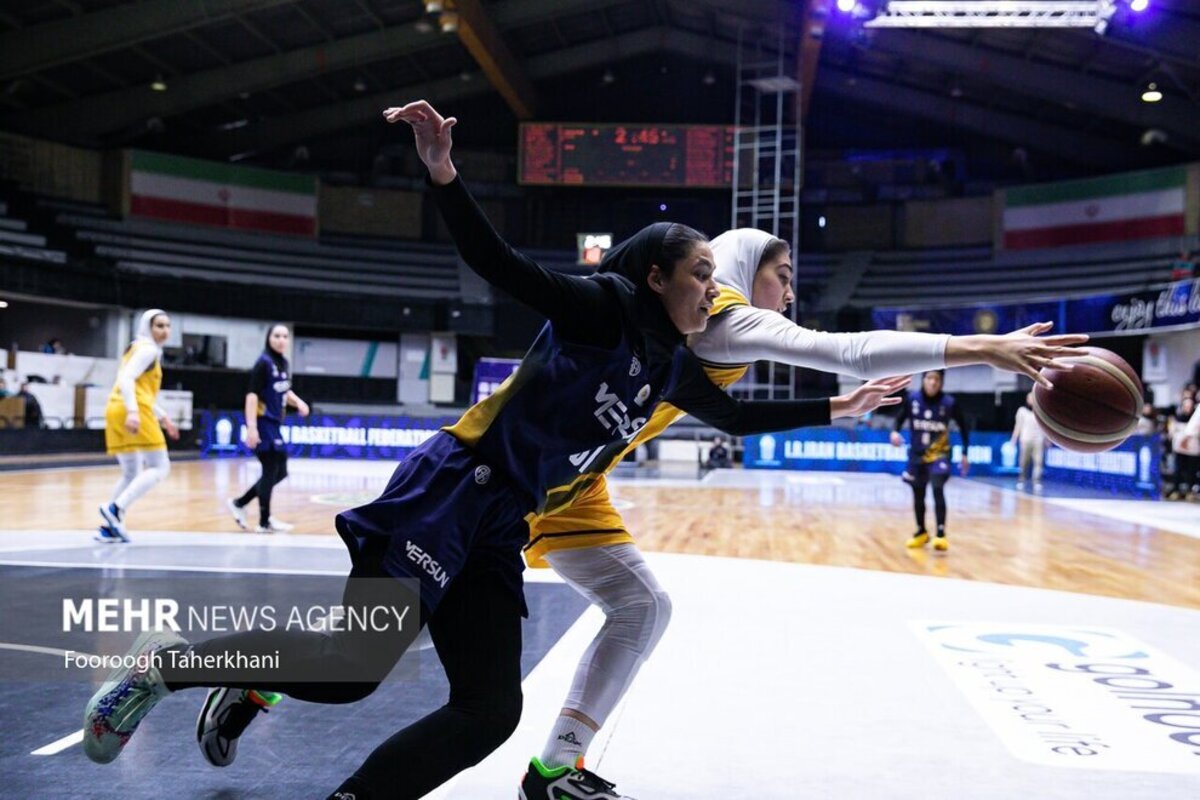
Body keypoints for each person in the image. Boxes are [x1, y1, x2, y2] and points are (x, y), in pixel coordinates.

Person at [82, 101, 906, 800]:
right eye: (700, 275)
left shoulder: (675, 367)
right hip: (452, 487)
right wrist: (442, 170)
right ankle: (171, 664)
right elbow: (494, 261)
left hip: (501, 520)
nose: (711, 291)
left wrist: (840, 405)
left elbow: (734, 421)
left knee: (489, 713)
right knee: (358, 661)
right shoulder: (602, 308)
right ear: (658, 277)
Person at [196, 228, 1086, 800]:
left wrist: (836, 411)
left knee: (636, 607)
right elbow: (836, 349)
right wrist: (986, 347)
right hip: (512, 472)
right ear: (742, 271)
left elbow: (749, 406)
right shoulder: (726, 315)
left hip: (574, 482)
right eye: (785, 275)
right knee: (396, 639)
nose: (790, 293)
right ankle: (252, 677)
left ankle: (556, 768)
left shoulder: (703, 306)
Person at [96, 309, 179, 543]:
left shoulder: (135, 346)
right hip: (131, 410)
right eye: (159, 326)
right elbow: (127, 379)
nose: (164, 331)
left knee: (131, 472)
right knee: (160, 466)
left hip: (114, 408)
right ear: (147, 327)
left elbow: (138, 389)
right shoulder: (149, 350)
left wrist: (162, 416)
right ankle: (115, 509)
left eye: (167, 326)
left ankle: (109, 527)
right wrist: (133, 411)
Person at [227, 324, 310, 533]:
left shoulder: (282, 362)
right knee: (270, 468)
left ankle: (240, 503)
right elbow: (252, 396)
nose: (281, 339)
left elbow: (284, 390)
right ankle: (264, 522)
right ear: (268, 338)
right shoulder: (263, 363)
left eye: (285, 336)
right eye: (277, 335)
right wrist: (251, 428)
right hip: (262, 423)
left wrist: (298, 402)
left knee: (280, 471)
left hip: (274, 424)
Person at [891, 369, 970, 551]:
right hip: (917, 455)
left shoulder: (949, 403)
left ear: (941, 382)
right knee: (918, 493)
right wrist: (894, 432)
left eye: (937, 379)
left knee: (937, 487)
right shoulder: (912, 399)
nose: (933, 382)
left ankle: (941, 534)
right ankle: (921, 532)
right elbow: (899, 419)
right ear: (923, 379)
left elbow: (964, 427)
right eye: (930, 378)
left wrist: (965, 453)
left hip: (939, 454)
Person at [1010, 391, 1046, 491]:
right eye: (1030, 398)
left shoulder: (1041, 412)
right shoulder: (1022, 411)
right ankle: (1021, 480)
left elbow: (1044, 428)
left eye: (1033, 398)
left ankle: (1037, 482)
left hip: (1038, 440)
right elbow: (1018, 426)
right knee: (1023, 462)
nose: (1032, 400)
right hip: (1025, 439)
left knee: (1038, 462)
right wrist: (1014, 439)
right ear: (1027, 400)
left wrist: (1047, 440)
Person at [1168, 394, 1198, 500]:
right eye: (1186, 406)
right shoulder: (1177, 418)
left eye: (1190, 406)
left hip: (1194, 449)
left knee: (1191, 471)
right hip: (1179, 448)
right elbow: (1172, 433)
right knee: (1178, 470)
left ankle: (1190, 492)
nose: (1187, 408)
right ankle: (1176, 490)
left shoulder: (1195, 418)